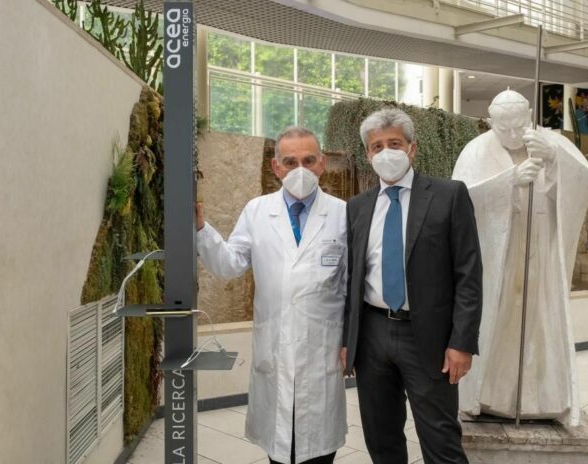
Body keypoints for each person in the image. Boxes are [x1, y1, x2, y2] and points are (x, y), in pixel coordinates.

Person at [196, 126, 347, 464]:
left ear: (322, 164)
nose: (300, 170)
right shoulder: (258, 211)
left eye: (309, 160)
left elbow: (351, 284)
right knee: (279, 452)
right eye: (290, 162)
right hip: (275, 346)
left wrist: (351, 339)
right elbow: (229, 264)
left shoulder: (342, 213)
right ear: (275, 167)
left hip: (322, 350)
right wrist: (201, 230)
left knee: (320, 453)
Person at [341, 108, 482, 464]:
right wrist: (347, 339)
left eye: (394, 143)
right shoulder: (357, 207)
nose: (386, 152)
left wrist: (462, 342)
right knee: (381, 438)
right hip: (372, 335)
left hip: (429, 338)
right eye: (377, 146)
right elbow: (352, 278)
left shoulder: (449, 195)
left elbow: (468, 273)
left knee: (441, 441)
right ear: (368, 155)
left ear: (412, 148)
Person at [452, 89, 588, 425]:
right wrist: (509, 182)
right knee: (497, 318)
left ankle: (542, 399)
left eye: (520, 126)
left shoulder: (551, 142)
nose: (514, 134)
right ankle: (489, 396)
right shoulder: (476, 150)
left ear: (530, 114)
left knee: (539, 320)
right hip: (496, 256)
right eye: (504, 128)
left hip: (541, 250)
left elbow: (584, 183)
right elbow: (460, 200)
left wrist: (555, 159)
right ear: (490, 122)